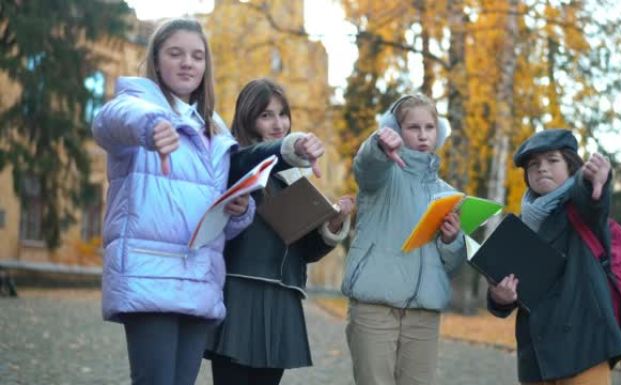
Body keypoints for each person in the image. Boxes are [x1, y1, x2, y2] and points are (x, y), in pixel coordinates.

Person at [91, 20, 321, 385]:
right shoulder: (135, 104)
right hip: (152, 275)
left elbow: (224, 218)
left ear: (206, 67)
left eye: (197, 56)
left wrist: (239, 210)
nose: (187, 63)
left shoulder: (214, 133)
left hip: (200, 279)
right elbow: (108, 121)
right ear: (156, 59)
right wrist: (150, 126)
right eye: (175, 53)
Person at [204, 78, 355, 385]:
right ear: (248, 119)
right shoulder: (233, 161)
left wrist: (334, 224)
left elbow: (307, 250)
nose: (278, 123)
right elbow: (255, 157)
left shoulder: (291, 179)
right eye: (266, 115)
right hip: (241, 295)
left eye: (283, 114)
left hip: (283, 298)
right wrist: (292, 147)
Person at [341, 93, 467, 385]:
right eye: (413, 127)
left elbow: (450, 264)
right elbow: (366, 166)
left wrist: (451, 241)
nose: (423, 135)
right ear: (397, 130)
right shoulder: (382, 174)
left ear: (438, 132)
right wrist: (379, 145)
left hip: (424, 314)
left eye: (429, 127)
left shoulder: (447, 193)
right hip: (375, 308)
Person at [487, 129, 621, 384]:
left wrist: (598, 183)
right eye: (534, 164)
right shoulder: (518, 227)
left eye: (552, 161)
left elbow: (594, 202)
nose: (542, 168)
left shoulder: (581, 209)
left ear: (571, 165)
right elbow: (507, 288)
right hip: (537, 355)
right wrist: (500, 298)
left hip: (584, 347)